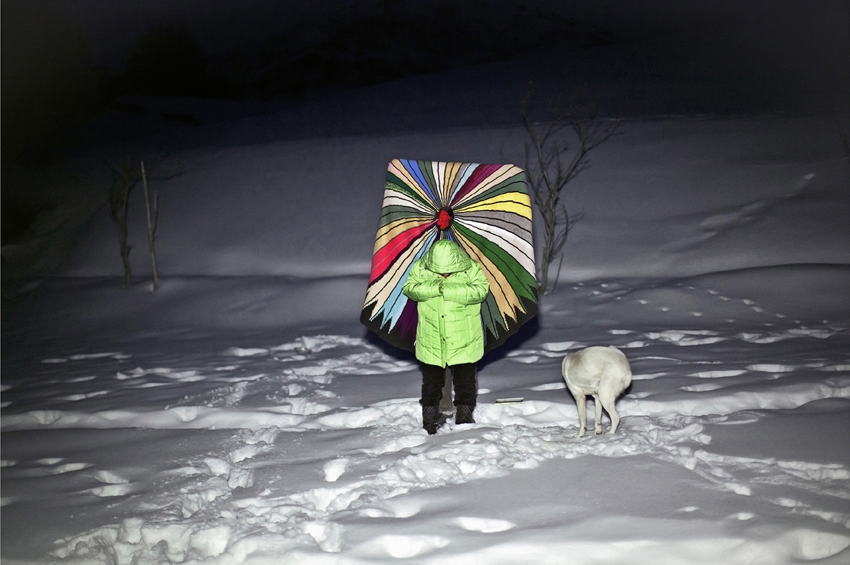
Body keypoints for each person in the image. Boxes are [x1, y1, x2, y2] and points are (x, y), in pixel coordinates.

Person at [402, 239, 490, 434]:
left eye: (449, 271)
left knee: (465, 382)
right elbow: (409, 288)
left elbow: (481, 290)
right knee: (431, 383)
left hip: (464, 338)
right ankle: (429, 420)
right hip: (431, 337)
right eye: (440, 271)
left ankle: (464, 417)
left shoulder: (470, 269)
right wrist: (435, 287)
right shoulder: (421, 268)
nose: (444, 274)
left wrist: (447, 289)